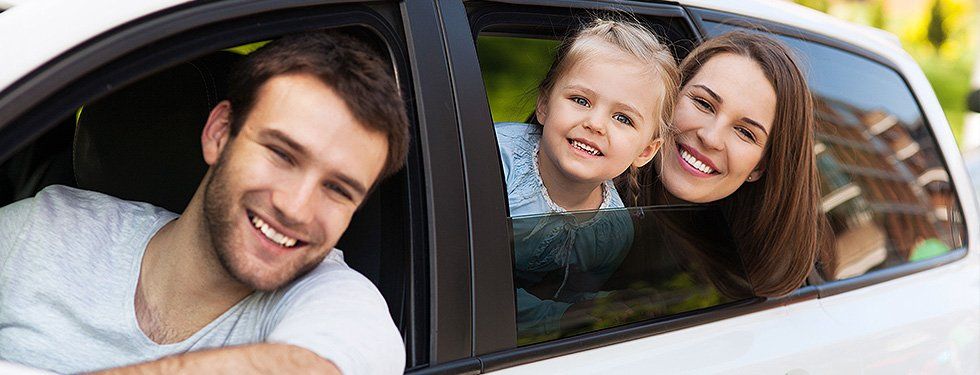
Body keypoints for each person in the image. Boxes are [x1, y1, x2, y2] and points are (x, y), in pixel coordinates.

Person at [0, 31, 409, 374]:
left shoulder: (340, 301)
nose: (296, 208)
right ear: (219, 133)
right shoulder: (45, 229)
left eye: (338, 189)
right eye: (282, 155)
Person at [495, 18, 679, 340]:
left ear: (646, 151)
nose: (595, 123)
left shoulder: (613, 232)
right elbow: (464, 277)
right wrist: (552, 316)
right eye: (581, 100)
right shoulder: (495, 163)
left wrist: (594, 310)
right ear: (543, 104)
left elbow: (574, 304)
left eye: (623, 118)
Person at [635, 31, 832, 297]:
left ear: (760, 167)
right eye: (703, 103)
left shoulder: (744, 284)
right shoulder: (586, 185)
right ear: (672, 94)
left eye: (745, 132)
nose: (711, 137)